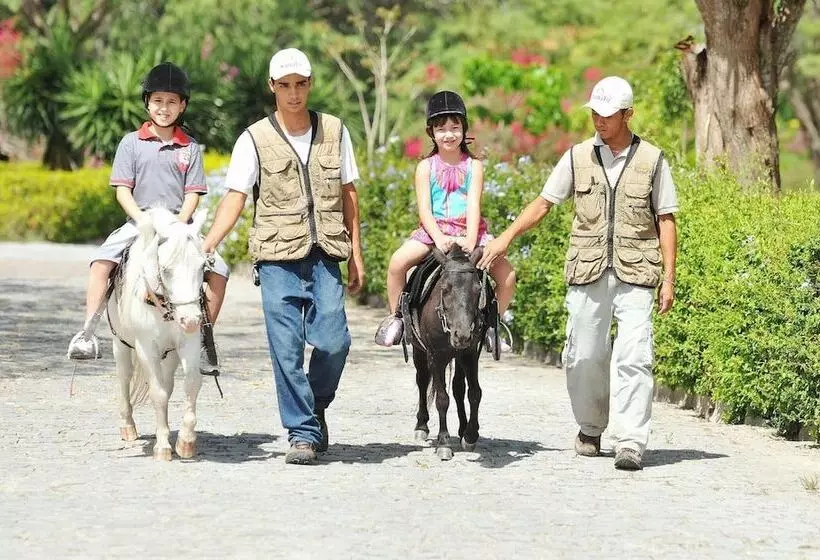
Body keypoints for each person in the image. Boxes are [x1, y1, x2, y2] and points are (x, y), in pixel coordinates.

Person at [478, 76, 679, 470]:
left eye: (607, 115)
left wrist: (669, 278)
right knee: (584, 355)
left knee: (634, 357)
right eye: (595, 114)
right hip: (587, 270)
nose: (599, 122)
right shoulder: (576, 157)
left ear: (628, 114)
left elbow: (666, 219)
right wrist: (505, 238)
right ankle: (590, 427)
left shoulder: (653, 160)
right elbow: (544, 202)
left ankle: (631, 441)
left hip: (637, 271)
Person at [202, 48, 365, 465]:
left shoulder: (336, 130)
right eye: (285, 85)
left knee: (335, 342)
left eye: (301, 84)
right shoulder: (252, 139)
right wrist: (209, 243)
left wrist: (358, 255)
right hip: (276, 259)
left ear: (310, 84)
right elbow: (236, 197)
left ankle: (314, 406)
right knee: (286, 351)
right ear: (272, 87)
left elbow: (349, 194)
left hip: (326, 253)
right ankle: (303, 434)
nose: (294, 94)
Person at [67, 62, 230, 374]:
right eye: (157, 101)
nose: (164, 108)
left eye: (171, 102)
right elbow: (122, 191)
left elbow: (193, 192)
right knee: (102, 262)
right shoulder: (131, 143)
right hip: (138, 221)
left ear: (182, 105)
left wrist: (182, 223)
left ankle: (204, 339)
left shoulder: (190, 147)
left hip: (177, 223)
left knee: (219, 270)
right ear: (147, 103)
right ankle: (87, 332)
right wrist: (140, 218)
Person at [374, 90, 516, 352]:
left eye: (455, 127)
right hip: (434, 234)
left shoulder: (475, 166)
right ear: (431, 132)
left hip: (470, 233)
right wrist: (439, 238)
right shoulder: (425, 167)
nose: (448, 134)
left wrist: (471, 240)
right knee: (396, 264)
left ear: (464, 128)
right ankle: (397, 319)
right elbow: (425, 211)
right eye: (441, 129)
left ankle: (492, 325)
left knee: (507, 276)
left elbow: (473, 204)